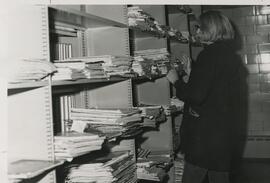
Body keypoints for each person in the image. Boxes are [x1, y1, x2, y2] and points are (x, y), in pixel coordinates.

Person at [167, 10, 247, 183]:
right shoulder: (230, 57)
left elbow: (196, 96)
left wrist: (176, 81)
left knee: (191, 178)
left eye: (199, 28)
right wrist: (194, 73)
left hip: (206, 138)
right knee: (219, 177)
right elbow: (216, 89)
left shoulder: (208, 54)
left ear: (209, 29)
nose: (196, 32)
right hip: (223, 135)